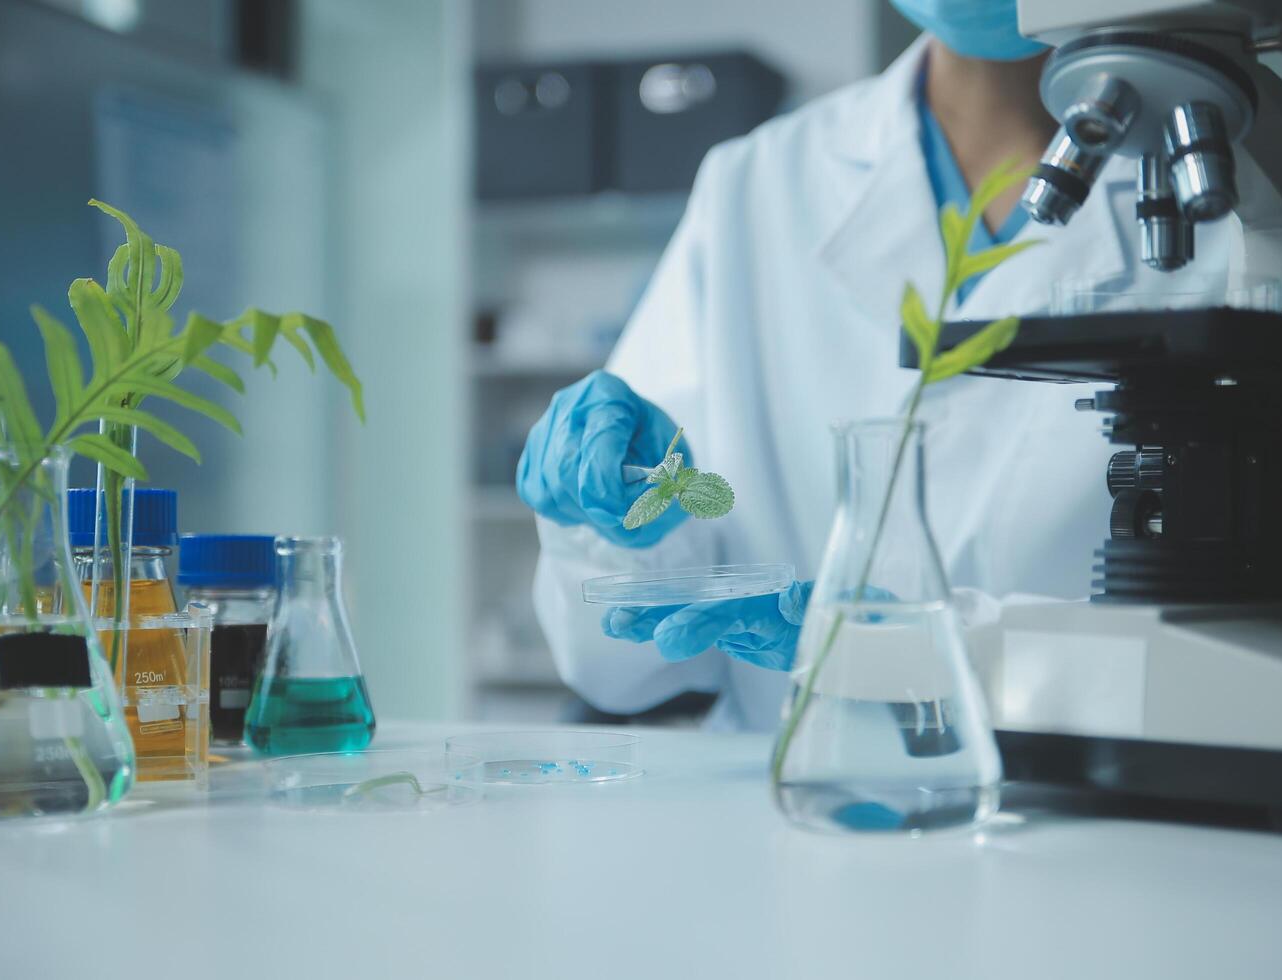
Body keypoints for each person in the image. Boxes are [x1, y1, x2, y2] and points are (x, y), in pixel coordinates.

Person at [517, 0, 1239, 730]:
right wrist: (611, 526)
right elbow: (621, 670)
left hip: (1100, 804)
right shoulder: (757, 181)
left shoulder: (1244, 196)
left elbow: (1244, 656)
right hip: (778, 804)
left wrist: (932, 656)